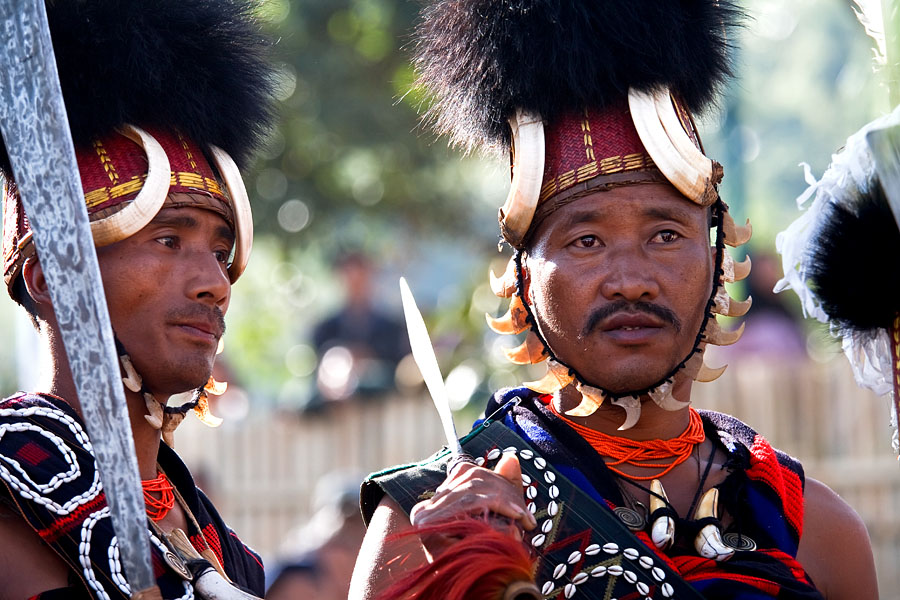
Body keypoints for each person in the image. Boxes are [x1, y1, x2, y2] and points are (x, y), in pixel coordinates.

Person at [349, 1, 877, 598]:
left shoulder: (814, 529)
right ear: (522, 277)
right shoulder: (431, 528)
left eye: (666, 235)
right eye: (587, 240)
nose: (630, 279)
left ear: (718, 255)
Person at [0, 1, 275, 597]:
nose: (216, 283)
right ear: (51, 276)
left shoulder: (224, 549)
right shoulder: (10, 487)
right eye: (170, 239)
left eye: (221, 250)